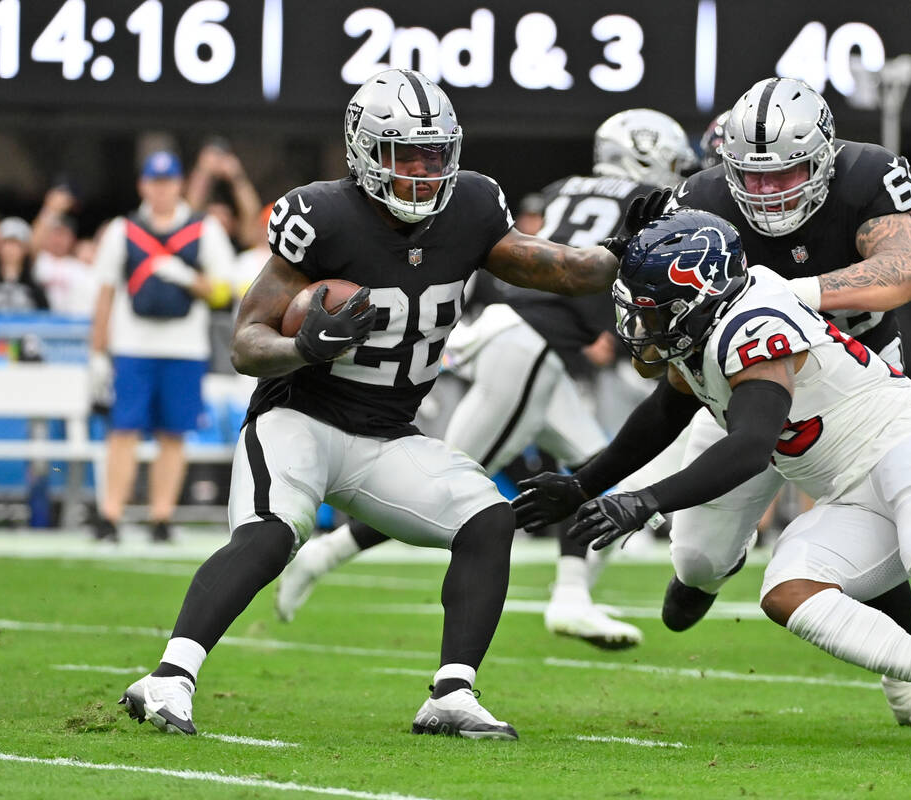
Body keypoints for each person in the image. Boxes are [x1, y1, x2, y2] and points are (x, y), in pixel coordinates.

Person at [514, 208, 911, 756]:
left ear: (696, 295)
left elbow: (751, 446)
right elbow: (662, 413)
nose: (640, 321)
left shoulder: (754, 322)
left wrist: (647, 500)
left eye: (653, 308)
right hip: (850, 486)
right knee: (788, 592)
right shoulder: (704, 327)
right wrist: (583, 484)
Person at [119, 69, 626, 740]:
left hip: (387, 436)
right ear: (363, 152)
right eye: (404, 153)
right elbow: (246, 344)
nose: (422, 169)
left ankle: (452, 694)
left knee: (487, 521)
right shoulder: (323, 216)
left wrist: (626, 254)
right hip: (297, 417)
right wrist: (304, 344)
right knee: (272, 534)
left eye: (435, 152)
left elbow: (557, 268)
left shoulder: (471, 208)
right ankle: (167, 678)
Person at [272, 108, 697, 650]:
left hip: (521, 337)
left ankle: (571, 598)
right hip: (531, 348)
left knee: (594, 475)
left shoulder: (566, 186)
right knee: (444, 484)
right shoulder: (650, 203)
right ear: (648, 151)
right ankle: (323, 554)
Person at [657, 77, 911, 728]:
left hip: (856, 382)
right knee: (699, 558)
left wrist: (795, 293)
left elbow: (906, 269)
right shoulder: (702, 197)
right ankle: (710, 571)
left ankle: (909, 685)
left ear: (822, 158)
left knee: (874, 516)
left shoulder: (867, 172)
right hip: (747, 387)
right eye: (751, 177)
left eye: (785, 173)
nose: (767, 191)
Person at [88, 150, 237, 543]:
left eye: (168, 182)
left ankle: (161, 517)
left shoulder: (204, 229)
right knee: (124, 430)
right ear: (143, 186)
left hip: (184, 348)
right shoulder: (124, 229)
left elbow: (224, 291)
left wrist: (186, 277)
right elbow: (104, 294)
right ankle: (111, 515)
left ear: (179, 185)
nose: (161, 190)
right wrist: (98, 354)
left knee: (174, 433)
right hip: (133, 345)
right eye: (154, 183)